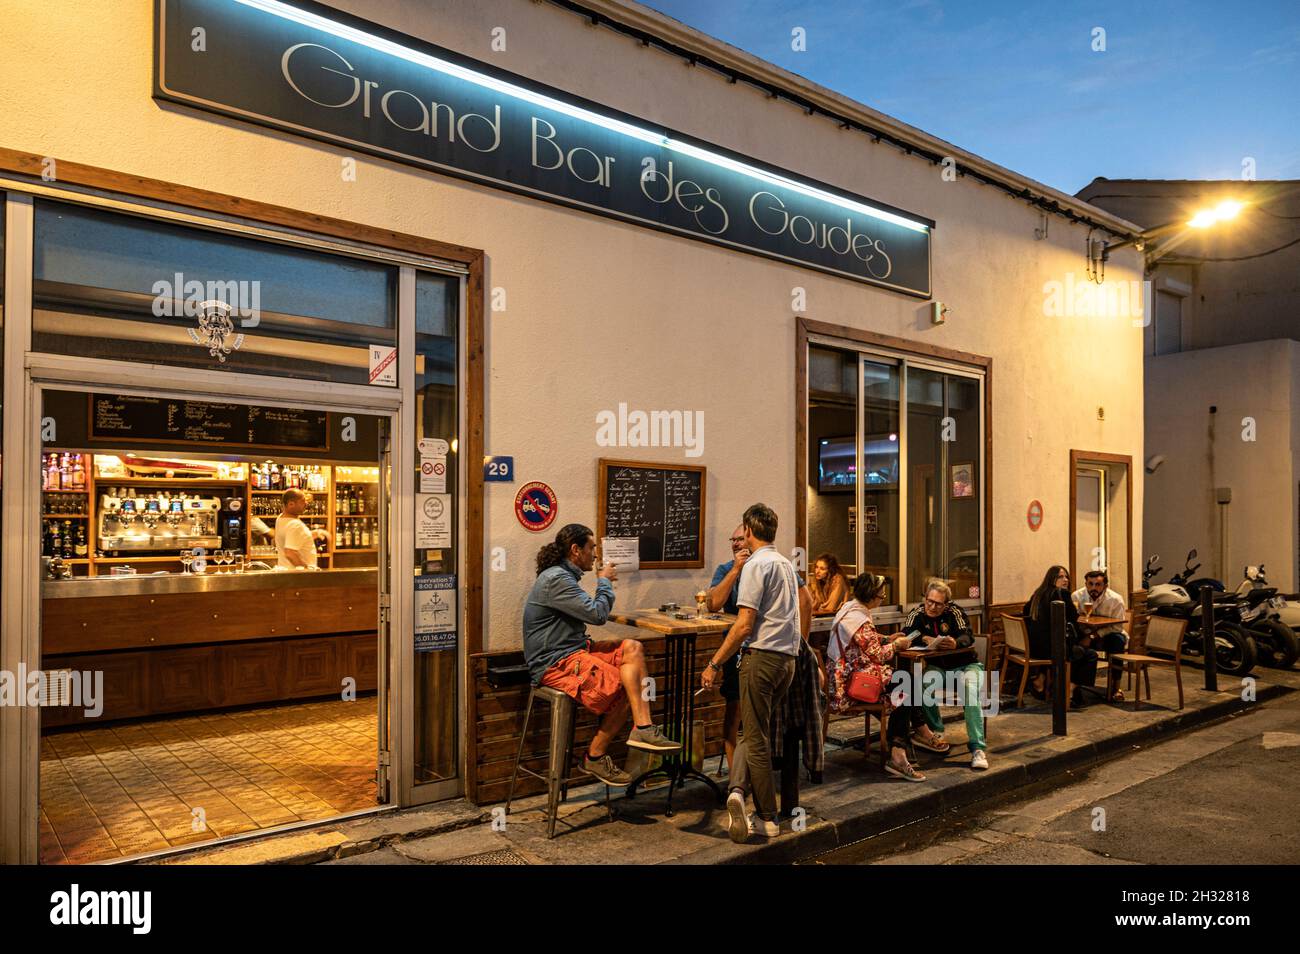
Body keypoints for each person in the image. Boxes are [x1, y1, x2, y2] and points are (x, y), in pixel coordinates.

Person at [522, 523, 681, 787]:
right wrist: (604, 581)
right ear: (575, 550)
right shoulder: (556, 579)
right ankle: (594, 756)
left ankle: (643, 727)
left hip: (574, 650)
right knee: (626, 685)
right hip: (554, 662)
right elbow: (597, 614)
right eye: (591, 547)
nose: (595, 554)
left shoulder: (563, 576)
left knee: (633, 648)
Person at [701, 503, 801, 843]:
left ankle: (767, 817)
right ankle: (737, 790)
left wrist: (714, 663)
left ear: (748, 530)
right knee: (750, 730)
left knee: (756, 739)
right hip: (787, 659)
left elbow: (744, 625)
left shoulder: (756, 565)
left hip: (761, 658)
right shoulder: (785, 563)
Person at [708, 523, 814, 777]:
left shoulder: (771, 564)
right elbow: (712, 603)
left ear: (750, 538)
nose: (736, 544)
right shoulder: (725, 569)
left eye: (740, 539)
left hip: (766, 652)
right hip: (735, 649)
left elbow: (806, 601)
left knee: (760, 721)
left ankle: (747, 782)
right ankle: (736, 779)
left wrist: (800, 642)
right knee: (735, 710)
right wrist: (736, 569)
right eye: (732, 540)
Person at [827, 572, 940, 781]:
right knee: (906, 684)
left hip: (847, 675)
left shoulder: (850, 609)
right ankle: (905, 746)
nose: (883, 599)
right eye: (881, 595)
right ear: (871, 596)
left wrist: (887, 638)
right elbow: (879, 655)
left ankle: (911, 738)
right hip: (850, 684)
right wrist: (896, 645)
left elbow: (865, 640)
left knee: (905, 685)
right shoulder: (859, 619)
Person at [902, 579, 989, 770]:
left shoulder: (955, 612)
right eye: (929, 601)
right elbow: (906, 633)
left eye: (938, 604)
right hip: (939, 667)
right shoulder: (917, 613)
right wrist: (923, 638)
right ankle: (936, 731)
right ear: (925, 598)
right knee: (923, 685)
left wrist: (956, 643)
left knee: (969, 689)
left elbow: (967, 635)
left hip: (966, 665)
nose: (932, 607)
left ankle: (977, 748)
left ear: (946, 604)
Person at [1022, 565, 1092, 707]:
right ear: (1051, 578)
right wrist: (1087, 635)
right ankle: (1070, 689)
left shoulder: (1038, 593)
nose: (1065, 580)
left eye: (1066, 576)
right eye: (1060, 577)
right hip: (1051, 650)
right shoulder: (1062, 594)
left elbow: (1025, 611)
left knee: (1074, 649)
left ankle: (1040, 680)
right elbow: (1073, 618)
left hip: (1034, 648)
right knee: (1089, 654)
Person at [1072, 569, 1129, 700]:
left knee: (1118, 642)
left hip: (1108, 634)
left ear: (1105, 586)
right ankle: (1075, 686)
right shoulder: (1076, 596)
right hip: (1085, 632)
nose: (1093, 588)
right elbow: (1074, 619)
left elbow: (1117, 626)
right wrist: (1086, 634)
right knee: (1072, 644)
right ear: (1086, 584)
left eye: (1098, 584)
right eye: (1090, 584)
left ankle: (1116, 687)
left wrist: (1093, 636)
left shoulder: (1115, 599)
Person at [275, 489, 327, 569]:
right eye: (302, 501)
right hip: (297, 574)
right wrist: (306, 569)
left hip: (285, 571)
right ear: (291, 504)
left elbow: (292, 538)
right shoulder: (295, 525)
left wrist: (311, 534)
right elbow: (290, 553)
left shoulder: (281, 518)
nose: (306, 503)